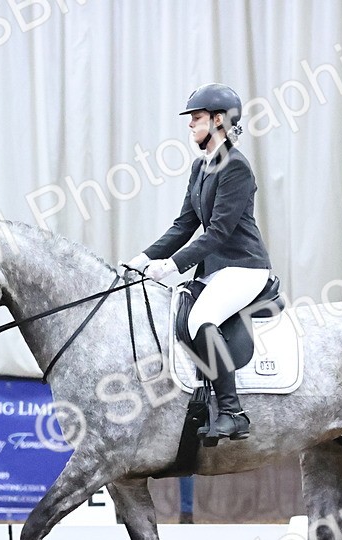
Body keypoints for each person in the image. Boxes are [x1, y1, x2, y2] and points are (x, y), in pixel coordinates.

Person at [125, 83, 274, 442]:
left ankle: (232, 411)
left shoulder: (237, 167)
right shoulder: (200, 167)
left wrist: (172, 266)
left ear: (219, 120)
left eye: (197, 118)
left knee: (201, 318)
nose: (191, 125)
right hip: (216, 270)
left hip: (243, 267)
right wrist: (144, 258)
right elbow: (185, 225)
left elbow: (219, 232)